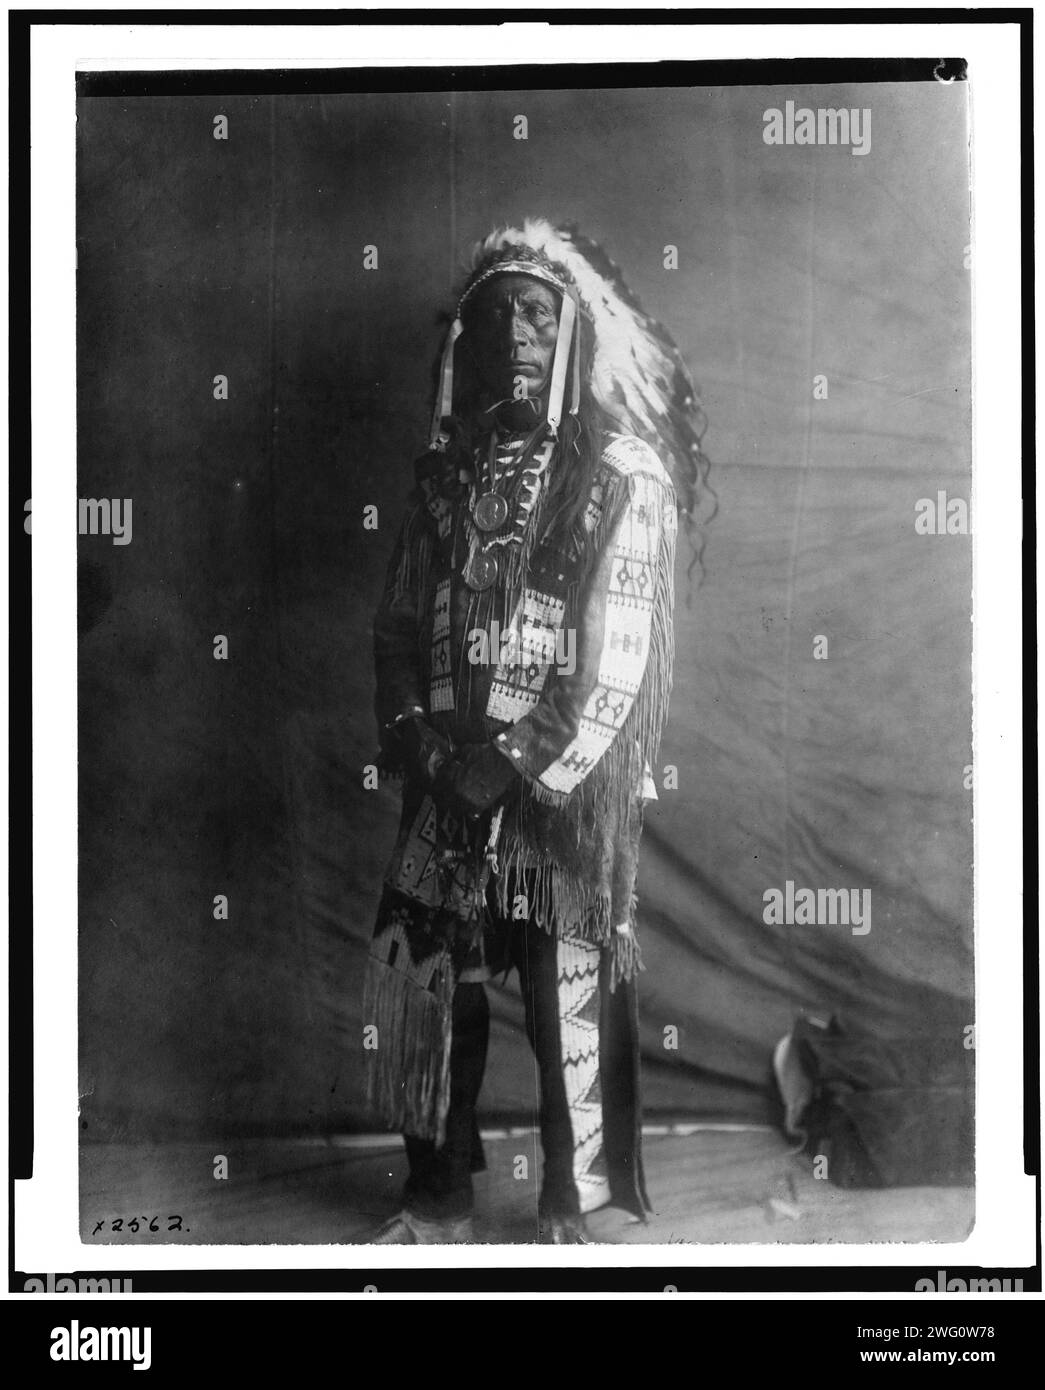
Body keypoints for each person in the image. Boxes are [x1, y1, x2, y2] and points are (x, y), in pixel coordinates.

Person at [362, 218, 711, 1243]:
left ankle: (576, 1200)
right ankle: (435, 1198)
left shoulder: (618, 474)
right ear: (464, 339)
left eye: (536, 310)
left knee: (569, 991)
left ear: (572, 332)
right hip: (445, 771)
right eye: (495, 312)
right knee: (433, 976)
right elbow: (394, 623)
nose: (515, 329)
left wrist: (513, 762)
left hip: (560, 782)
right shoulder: (443, 478)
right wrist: (416, 739)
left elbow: (621, 651)